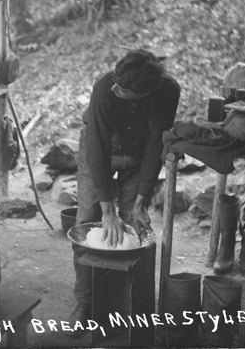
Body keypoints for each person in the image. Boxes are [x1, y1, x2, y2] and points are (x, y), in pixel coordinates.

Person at [68, 49, 180, 332]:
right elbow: (97, 148)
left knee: (136, 224)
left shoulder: (167, 92)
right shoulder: (106, 88)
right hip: (101, 148)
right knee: (88, 218)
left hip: (140, 153)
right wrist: (107, 209)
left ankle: (135, 303)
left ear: (143, 94)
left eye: (123, 88)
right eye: (117, 81)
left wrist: (142, 199)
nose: (115, 86)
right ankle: (85, 302)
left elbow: (157, 145)